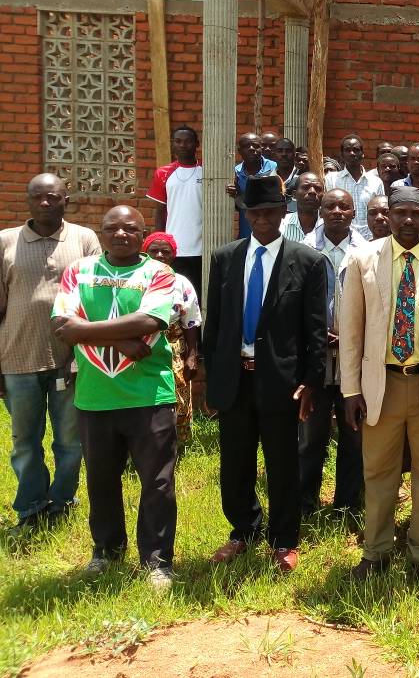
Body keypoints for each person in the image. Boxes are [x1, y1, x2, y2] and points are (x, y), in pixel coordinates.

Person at [340, 187, 419, 581]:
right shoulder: (362, 261)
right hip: (381, 385)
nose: (408, 220)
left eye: (416, 213)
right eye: (400, 213)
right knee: (378, 472)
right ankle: (375, 552)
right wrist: (350, 389)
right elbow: (351, 331)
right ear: (388, 215)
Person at [205, 174, 328, 573]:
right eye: (255, 212)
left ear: (282, 213)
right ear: (246, 214)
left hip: (281, 380)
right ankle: (243, 530)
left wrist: (311, 381)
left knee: (282, 462)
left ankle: (284, 539)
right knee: (235, 460)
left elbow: (314, 329)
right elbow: (216, 323)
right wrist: (211, 376)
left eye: (271, 212)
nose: (263, 219)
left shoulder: (308, 262)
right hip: (234, 377)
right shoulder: (225, 258)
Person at [51, 206, 178, 590]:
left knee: (157, 482)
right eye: (112, 228)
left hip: (149, 394)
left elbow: (151, 322)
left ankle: (156, 561)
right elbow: (61, 325)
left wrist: (84, 330)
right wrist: (120, 339)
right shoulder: (79, 271)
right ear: (100, 233)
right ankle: (106, 551)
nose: (121, 234)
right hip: (95, 396)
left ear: (143, 235)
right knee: (102, 480)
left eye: (130, 229)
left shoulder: (158, 272)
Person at [1, 174, 100, 531]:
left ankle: (61, 503)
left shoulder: (85, 239)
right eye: (37, 197)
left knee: (70, 442)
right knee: (24, 442)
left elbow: (97, 301)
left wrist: (82, 355)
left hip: (70, 361)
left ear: (65, 201)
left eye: (52, 197)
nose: (45, 203)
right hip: (17, 359)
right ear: (27, 200)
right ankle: (30, 508)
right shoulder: (6, 242)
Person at [299, 189, 365, 519]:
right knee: (311, 437)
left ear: (355, 212)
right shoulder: (303, 249)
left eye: (344, 206)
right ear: (320, 211)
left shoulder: (367, 252)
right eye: (331, 206)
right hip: (315, 359)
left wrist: (352, 334)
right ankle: (305, 503)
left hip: (354, 361)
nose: (337, 211)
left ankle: (347, 505)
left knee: (354, 436)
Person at [142, 233, 201, 450]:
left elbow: (192, 321)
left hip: (174, 346)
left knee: (177, 394)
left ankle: (176, 444)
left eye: (165, 252)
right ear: (144, 254)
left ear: (173, 256)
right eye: (153, 251)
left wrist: (192, 356)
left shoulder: (181, 283)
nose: (159, 255)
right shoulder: (136, 280)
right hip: (142, 346)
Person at [147, 125, 204, 294]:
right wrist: (158, 240)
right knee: (175, 293)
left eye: (188, 141)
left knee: (198, 293)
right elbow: (160, 210)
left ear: (197, 144)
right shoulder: (163, 173)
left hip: (201, 247)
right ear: (173, 144)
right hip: (173, 248)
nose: (183, 145)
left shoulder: (207, 171)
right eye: (178, 141)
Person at [325, 135, 385, 240]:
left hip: (370, 239)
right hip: (342, 238)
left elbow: (381, 211)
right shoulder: (331, 179)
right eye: (348, 150)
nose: (352, 153)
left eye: (356, 150)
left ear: (362, 154)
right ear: (342, 155)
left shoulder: (375, 182)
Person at [226, 132, 277, 239]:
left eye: (256, 145)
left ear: (261, 148)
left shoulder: (274, 167)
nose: (251, 148)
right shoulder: (235, 173)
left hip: (272, 231)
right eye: (246, 146)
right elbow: (235, 205)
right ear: (239, 151)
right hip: (247, 233)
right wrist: (234, 194)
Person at [279, 172, 324, 244]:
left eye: (317, 188)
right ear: (294, 195)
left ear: (323, 196)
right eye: (306, 187)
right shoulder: (280, 225)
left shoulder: (329, 226)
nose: (312, 192)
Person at [273, 138, 300, 212]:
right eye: (279, 151)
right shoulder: (267, 179)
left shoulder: (303, 179)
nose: (284, 154)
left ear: (295, 154)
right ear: (273, 154)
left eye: (288, 151)